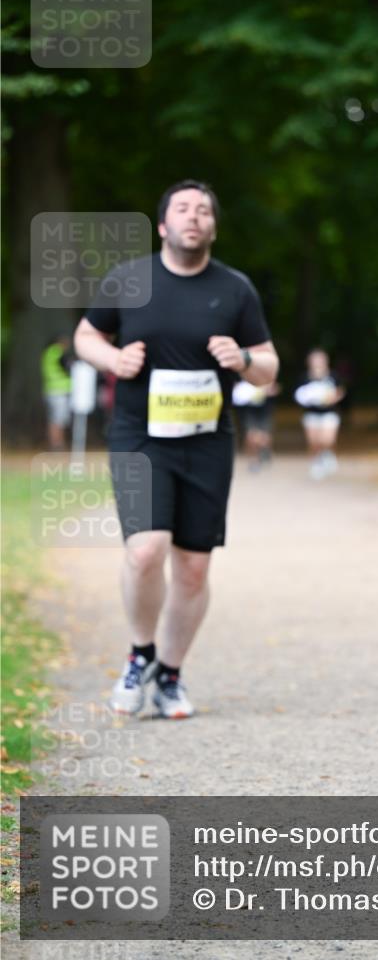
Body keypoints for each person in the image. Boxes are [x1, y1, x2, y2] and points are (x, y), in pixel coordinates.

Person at [74, 180, 279, 719]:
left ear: (213, 227)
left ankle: (169, 674)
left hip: (206, 441)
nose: (194, 216)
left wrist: (243, 360)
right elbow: (86, 337)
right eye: (183, 209)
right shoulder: (130, 279)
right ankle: (139, 654)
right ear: (163, 224)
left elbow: (268, 365)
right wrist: (113, 360)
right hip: (139, 438)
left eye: (204, 210)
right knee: (145, 551)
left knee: (192, 568)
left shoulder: (235, 289)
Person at [294, 348, 346, 480]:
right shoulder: (305, 377)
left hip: (329, 413)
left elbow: (340, 391)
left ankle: (328, 455)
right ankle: (316, 462)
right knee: (314, 441)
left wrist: (332, 398)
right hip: (311, 413)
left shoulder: (332, 376)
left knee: (327, 439)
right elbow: (299, 394)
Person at [232, 378, 280, 471]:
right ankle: (254, 460)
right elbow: (236, 399)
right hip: (249, 413)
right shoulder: (243, 383)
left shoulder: (266, 380)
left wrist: (270, 391)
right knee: (251, 437)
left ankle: (265, 452)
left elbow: (274, 391)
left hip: (264, 413)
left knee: (265, 438)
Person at [41, 334, 73, 450]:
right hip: (59, 391)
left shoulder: (48, 353)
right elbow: (67, 367)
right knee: (59, 419)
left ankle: (55, 443)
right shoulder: (58, 353)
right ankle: (58, 444)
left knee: (53, 418)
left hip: (50, 390)